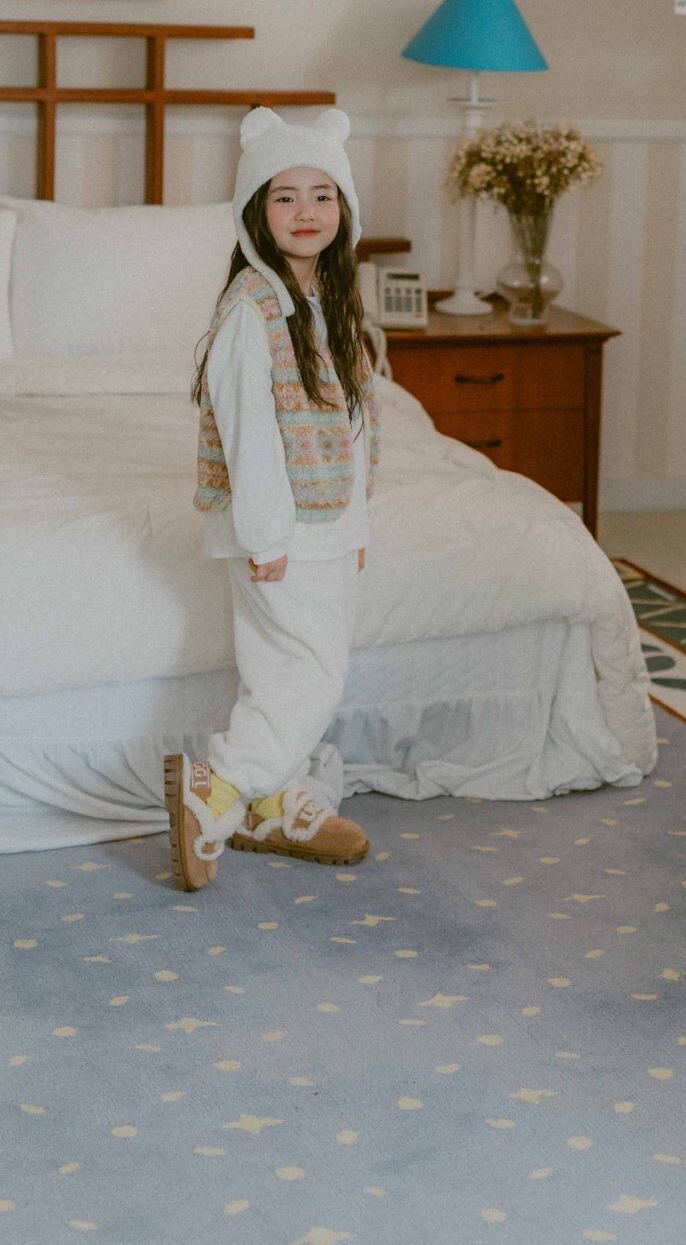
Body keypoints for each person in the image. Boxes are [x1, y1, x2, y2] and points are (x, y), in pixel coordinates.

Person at [164, 105, 380, 893]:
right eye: (285, 196)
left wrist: (356, 521)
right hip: (281, 530)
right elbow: (250, 435)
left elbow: (351, 425)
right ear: (256, 211)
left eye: (322, 195)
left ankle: (270, 802)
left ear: (344, 207)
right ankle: (221, 785)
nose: (306, 212)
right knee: (314, 672)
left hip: (325, 524)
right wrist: (266, 537)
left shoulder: (328, 301)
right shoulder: (250, 312)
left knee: (278, 671)